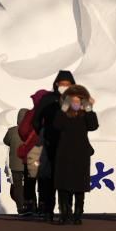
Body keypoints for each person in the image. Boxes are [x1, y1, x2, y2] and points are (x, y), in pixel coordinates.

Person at [52, 84, 98, 225]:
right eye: (73, 101)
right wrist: (64, 108)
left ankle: (78, 215)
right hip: (64, 155)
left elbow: (93, 125)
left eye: (79, 101)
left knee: (79, 187)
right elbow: (57, 125)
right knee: (64, 187)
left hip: (81, 155)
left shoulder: (85, 115)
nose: (76, 104)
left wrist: (89, 107)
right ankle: (65, 214)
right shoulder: (64, 115)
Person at [33, 70, 75, 222]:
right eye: (62, 84)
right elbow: (36, 120)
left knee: (67, 178)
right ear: (56, 84)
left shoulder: (74, 100)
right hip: (50, 143)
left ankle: (66, 210)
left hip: (69, 145)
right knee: (47, 178)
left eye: (67, 84)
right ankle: (48, 210)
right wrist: (44, 133)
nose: (64, 86)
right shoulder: (47, 99)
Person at [17, 90, 46, 216]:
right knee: (45, 181)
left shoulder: (30, 114)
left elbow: (23, 131)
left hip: (31, 153)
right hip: (46, 153)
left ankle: (30, 205)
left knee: (30, 181)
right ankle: (44, 206)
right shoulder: (51, 114)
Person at [3, 108, 28, 214]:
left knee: (17, 187)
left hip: (15, 164)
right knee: (29, 186)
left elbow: (5, 141)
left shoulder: (12, 131)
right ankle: (31, 206)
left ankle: (20, 208)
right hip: (28, 163)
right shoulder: (31, 130)